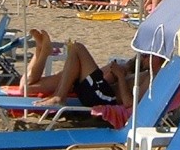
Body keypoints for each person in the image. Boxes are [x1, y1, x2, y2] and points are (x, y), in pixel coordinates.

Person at [24, 29, 152, 108]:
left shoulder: (149, 78)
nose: (142, 57)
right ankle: (42, 53)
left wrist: (119, 76)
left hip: (105, 97)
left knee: (77, 48)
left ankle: (59, 96)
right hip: (101, 91)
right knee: (75, 49)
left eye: (145, 56)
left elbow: (129, 103)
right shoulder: (139, 72)